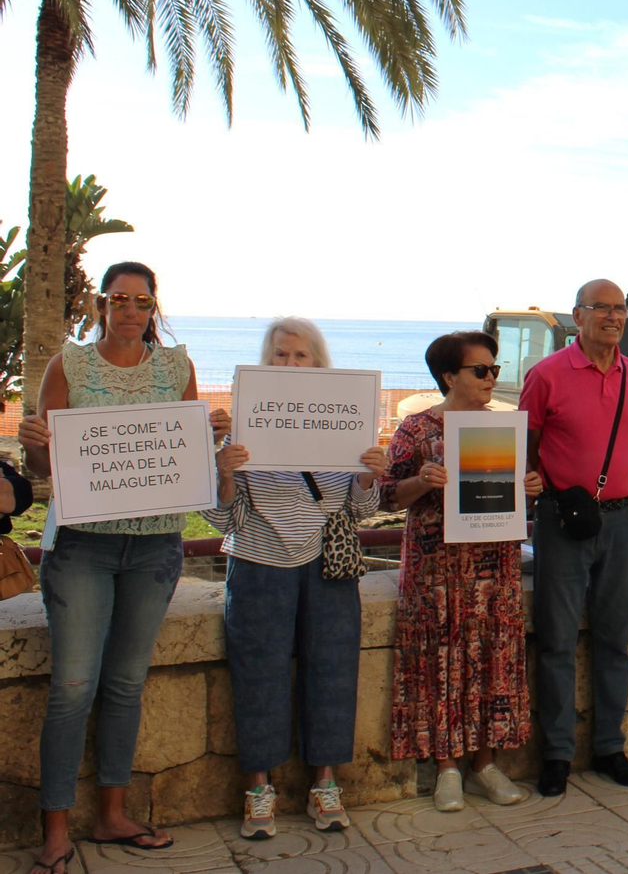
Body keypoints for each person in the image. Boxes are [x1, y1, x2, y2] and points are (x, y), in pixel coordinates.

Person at [17, 262, 230, 874]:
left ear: (153, 307)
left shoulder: (176, 368)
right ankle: (54, 829)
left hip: (156, 546)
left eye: (141, 300)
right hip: (82, 545)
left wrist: (212, 434)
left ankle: (112, 814)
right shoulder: (70, 365)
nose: (130, 310)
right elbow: (43, 463)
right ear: (102, 306)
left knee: (125, 685)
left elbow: (188, 454)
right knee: (73, 688)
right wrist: (34, 438)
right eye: (119, 300)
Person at [204, 318, 386, 838]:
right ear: (266, 362)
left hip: (328, 566)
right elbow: (223, 519)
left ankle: (325, 783)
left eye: (300, 355)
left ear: (318, 362)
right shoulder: (242, 431)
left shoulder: (347, 423)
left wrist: (370, 474)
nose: (290, 364)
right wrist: (223, 473)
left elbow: (361, 510)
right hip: (259, 564)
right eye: (280, 355)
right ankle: (258, 790)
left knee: (332, 672)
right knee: (256, 674)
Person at [380, 330, 542, 811]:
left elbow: (515, 491)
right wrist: (419, 481)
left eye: (494, 369)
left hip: (494, 568)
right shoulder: (416, 429)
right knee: (440, 661)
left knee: (493, 656)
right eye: (481, 370)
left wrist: (529, 486)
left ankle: (484, 764)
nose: (492, 378)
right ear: (449, 376)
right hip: (436, 570)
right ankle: (447, 767)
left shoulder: (505, 428)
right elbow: (386, 494)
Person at [520, 280, 628, 796]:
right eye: (602, 308)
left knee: (616, 638)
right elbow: (525, 446)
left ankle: (608, 746)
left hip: (621, 520)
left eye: (620, 309)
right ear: (578, 316)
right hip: (563, 520)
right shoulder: (546, 375)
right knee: (556, 640)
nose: (614, 317)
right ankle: (555, 754)